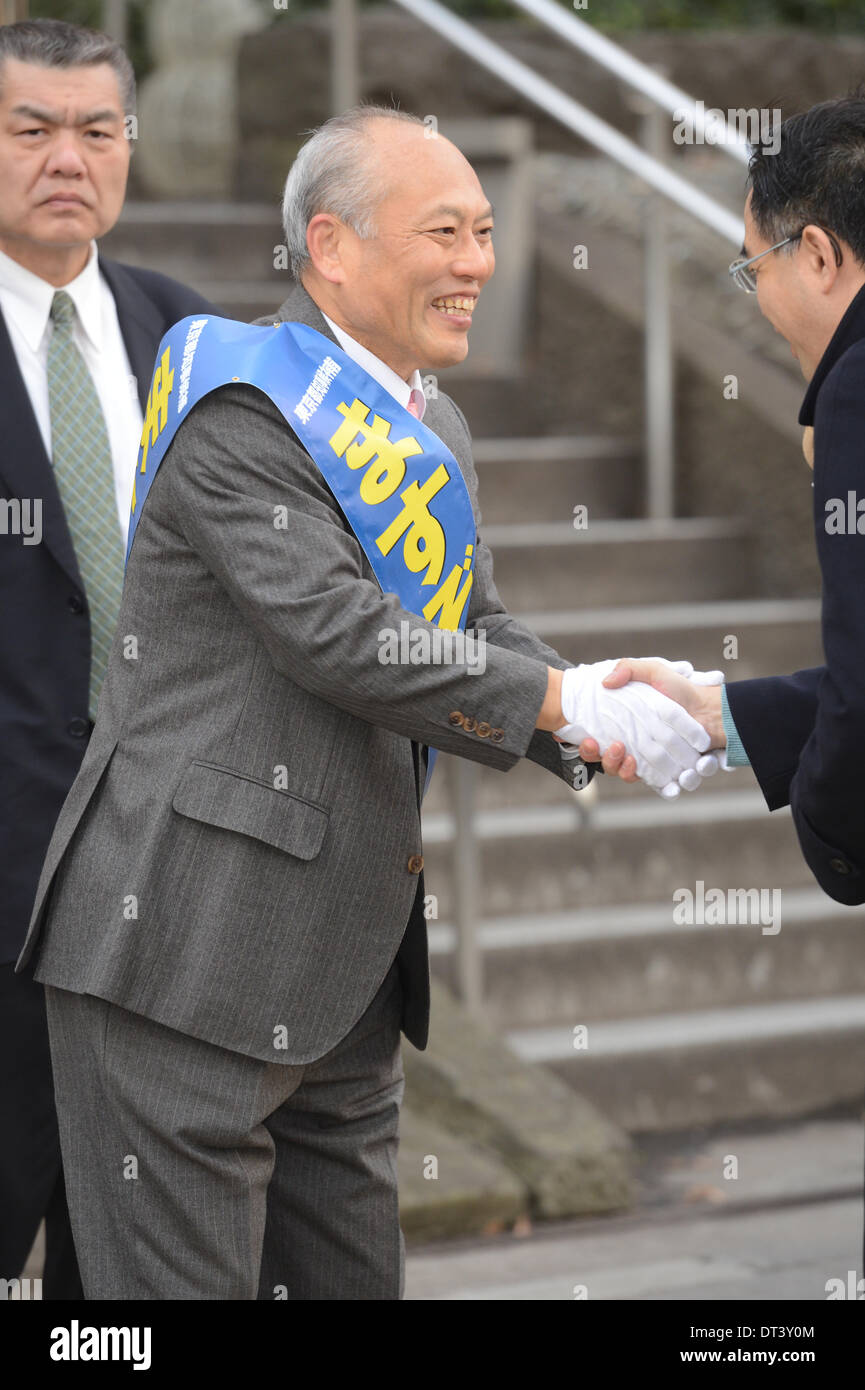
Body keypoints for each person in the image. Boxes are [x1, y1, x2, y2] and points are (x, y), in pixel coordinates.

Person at [16, 104, 717, 1300]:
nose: (476, 264)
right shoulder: (242, 406)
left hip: (343, 969)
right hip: (185, 951)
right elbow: (341, 640)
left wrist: (604, 708)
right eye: (443, 231)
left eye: (486, 231)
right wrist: (550, 700)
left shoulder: (428, 422)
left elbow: (468, 624)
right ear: (329, 248)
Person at [0, 18, 215, 1299]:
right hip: (7, 895)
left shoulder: (187, 336)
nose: (65, 157)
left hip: (164, 893)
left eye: (96, 129)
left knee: (121, 1265)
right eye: (30, 128)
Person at [576, 94, 865, 909]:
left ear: (815, 254)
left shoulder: (855, 387)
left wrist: (830, 830)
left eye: (752, 266)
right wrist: (718, 714)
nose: (757, 300)